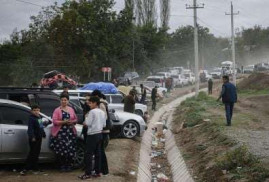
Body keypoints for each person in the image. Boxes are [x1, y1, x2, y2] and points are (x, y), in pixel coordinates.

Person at [78, 96, 106, 180]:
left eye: (90, 103)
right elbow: (104, 124)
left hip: (92, 134)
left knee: (88, 154)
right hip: (99, 134)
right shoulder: (102, 112)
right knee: (98, 154)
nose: (89, 104)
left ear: (94, 103)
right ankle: (97, 172)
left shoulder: (92, 112)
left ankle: (87, 173)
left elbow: (88, 123)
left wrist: (85, 121)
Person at [50, 93, 78, 172]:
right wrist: (63, 122)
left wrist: (71, 122)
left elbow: (76, 119)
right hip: (61, 133)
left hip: (70, 133)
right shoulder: (57, 110)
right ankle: (62, 166)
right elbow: (54, 121)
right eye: (62, 100)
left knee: (70, 149)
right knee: (61, 150)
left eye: (65, 100)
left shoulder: (71, 109)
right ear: (60, 101)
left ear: (68, 101)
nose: (63, 101)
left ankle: (68, 165)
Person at [20, 105, 46, 175]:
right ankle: (25, 168)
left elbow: (41, 127)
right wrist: (32, 137)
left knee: (36, 153)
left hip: (39, 138)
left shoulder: (39, 117)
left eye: (38, 110)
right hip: (33, 139)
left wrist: (43, 133)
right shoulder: (31, 118)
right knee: (32, 153)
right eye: (34, 110)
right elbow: (30, 129)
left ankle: (35, 167)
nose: (36, 111)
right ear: (31, 111)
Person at [91, 90, 110, 176]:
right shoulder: (102, 103)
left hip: (103, 131)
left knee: (101, 151)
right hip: (101, 130)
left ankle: (103, 170)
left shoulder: (101, 104)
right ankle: (101, 170)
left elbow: (104, 117)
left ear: (97, 96)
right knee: (100, 151)